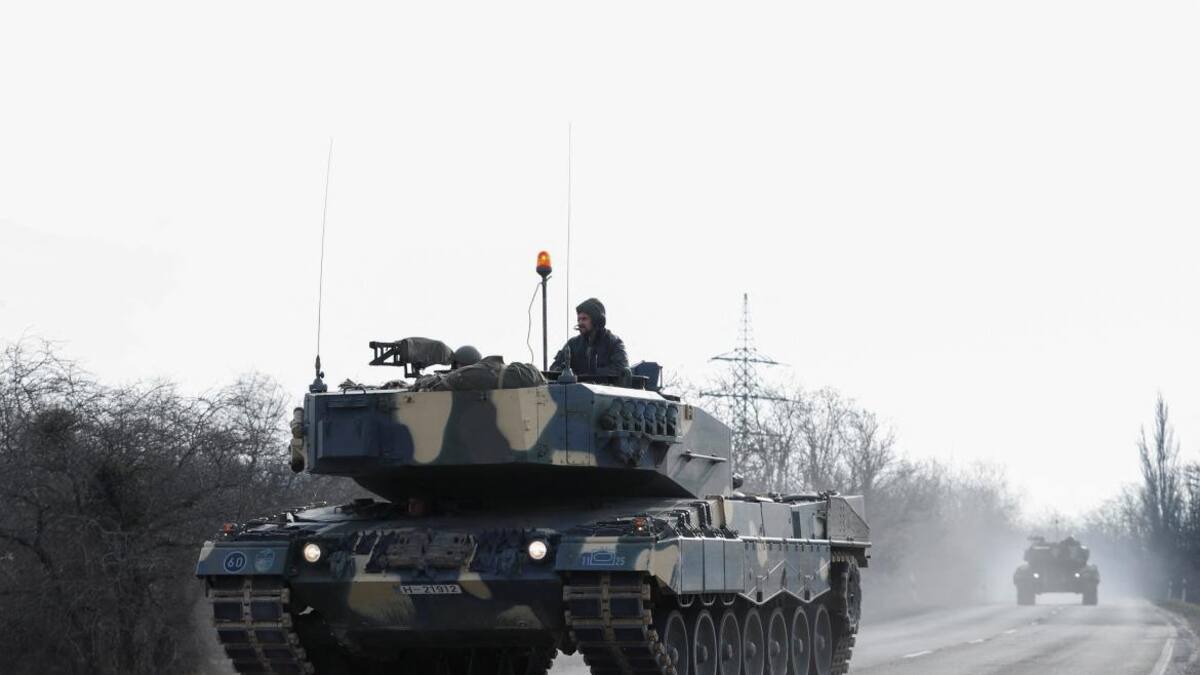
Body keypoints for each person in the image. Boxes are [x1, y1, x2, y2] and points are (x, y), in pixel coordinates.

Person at [551, 297, 629, 377]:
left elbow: (621, 370)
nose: (580, 323)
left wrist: (591, 374)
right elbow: (554, 369)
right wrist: (562, 370)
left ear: (597, 320)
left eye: (584, 319)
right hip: (575, 389)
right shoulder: (572, 344)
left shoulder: (614, 343)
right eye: (579, 319)